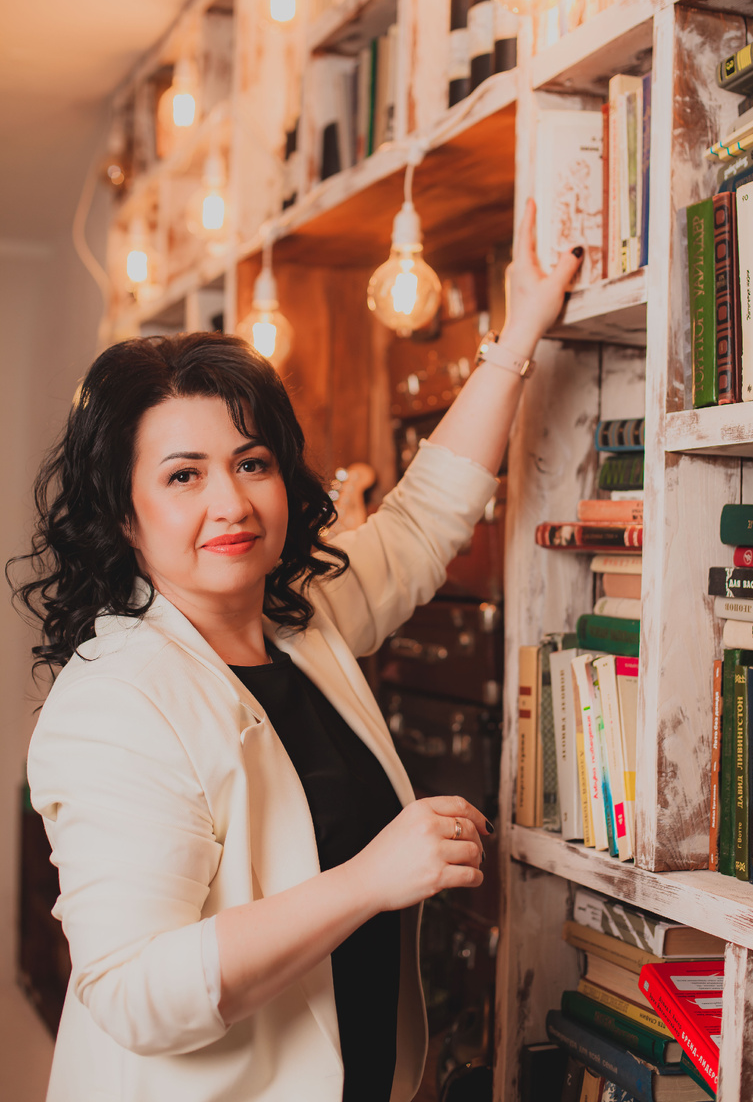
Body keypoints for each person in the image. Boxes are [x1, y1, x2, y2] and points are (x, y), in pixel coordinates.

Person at [14, 202, 582, 1102]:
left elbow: (422, 522)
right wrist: (368, 881)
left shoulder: (297, 619)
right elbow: (134, 992)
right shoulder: (114, 702)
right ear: (123, 515)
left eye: (252, 463)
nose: (232, 503)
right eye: (183, 475)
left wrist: (519, 335)